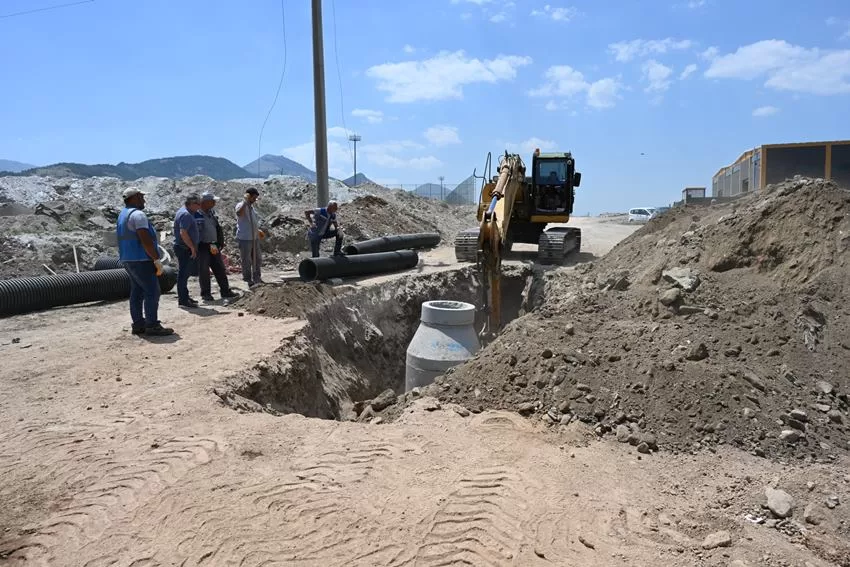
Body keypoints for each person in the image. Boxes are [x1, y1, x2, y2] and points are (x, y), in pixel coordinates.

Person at [116, 187, 173, 336]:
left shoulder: (123, 215)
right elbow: (145, 239)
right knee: (152, 291)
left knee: (137, 291)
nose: (144, 200)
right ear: (134, 198)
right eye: (141, 197)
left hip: (128, 258)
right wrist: (156, 259)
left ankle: (138, 324)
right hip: (141, 259)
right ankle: (152, 325)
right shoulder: (138, 215)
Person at [194, 192, 238, 301]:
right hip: (202, 245)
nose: (214, 203)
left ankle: (225, 291)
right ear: (205, 202)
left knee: (219, 268)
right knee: (204, 270)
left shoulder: (211, 213)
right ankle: (206, 294)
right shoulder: (197, 214)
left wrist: (220, 241)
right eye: (212, 201)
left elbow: (217, 227)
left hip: (213, 244)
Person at [173, 193, 202, 307]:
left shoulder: (185, 212)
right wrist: (192, 247)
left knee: (185, 274)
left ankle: (185, 296)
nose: (199, 207)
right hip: (184, 248)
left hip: (183, 247)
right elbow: (183, 233)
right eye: (197, 204)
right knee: (183, 274)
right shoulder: (186, 215)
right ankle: (183, 300)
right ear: (191, 204)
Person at [235, 187, 265, 287]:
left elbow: (252, 221)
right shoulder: (241, 205)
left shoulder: (251, 208)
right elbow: (239, 213)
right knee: (246, 259)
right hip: (245, 238)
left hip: (254, 237)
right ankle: (247, 278)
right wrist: (245, 202)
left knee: (257, 258)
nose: (255, 200)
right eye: (254, 198)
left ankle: (257, 277)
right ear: (249, 196)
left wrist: (258, 230)